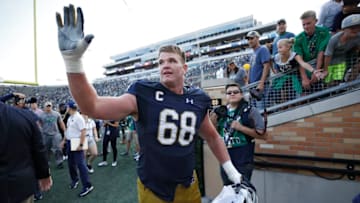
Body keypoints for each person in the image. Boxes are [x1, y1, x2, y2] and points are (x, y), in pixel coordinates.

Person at [56, 4, 242, 203]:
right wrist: (72, 62)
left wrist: (232, 172)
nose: (165, 65)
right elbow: (92, 106)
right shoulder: (143, 93)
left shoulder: (198, 98)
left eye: (171, 60)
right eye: (161, 62)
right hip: (154, 190)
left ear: (185, 68)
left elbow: (213, 137)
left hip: (189, 184)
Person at [210, 83, 267, 183]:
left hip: (243, 157)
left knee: (242, 191)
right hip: (226, 158)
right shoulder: (221, 112)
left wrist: (241, 128)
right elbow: (213, 134)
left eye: (235, 92)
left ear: (241, 94)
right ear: (226, 96)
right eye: (229, 93)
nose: (232, 94)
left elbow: (264, 135)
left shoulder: (251, 111)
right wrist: (213, 120)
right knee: (228, 190)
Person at [0, 101, 52, 203]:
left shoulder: (31, 114)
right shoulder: (25, 115)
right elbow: (38, 148)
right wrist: (44, 174)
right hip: (21, 184)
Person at [271, 38, 320, 103]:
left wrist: (313, 71)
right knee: (283, 96)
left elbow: (303, 63)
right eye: (278, 48)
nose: (278, 50)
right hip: (285, 79)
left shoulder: (294, 55)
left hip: (296, 77)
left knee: (301, 95)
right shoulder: (276, 57)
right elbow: (269, 61)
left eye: (280, 47)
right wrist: (274, 70)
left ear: (288, 47)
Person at [294, 10, 331, 94]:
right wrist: (304, 78)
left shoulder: (323, 32)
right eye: (303, 24)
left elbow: (321, 52)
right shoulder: (298, 38)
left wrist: (316, 72)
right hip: (306, 70)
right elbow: (300, 61)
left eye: (308, 23)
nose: (306, 27)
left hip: (321, 68)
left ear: (316, 21)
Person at [62, 101, 94, 197]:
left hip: (77, 141)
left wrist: (80, 144)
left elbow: (83, 131)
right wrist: (64, 140)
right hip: (70, 141)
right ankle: (75, 180)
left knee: (81, 165)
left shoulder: (78, 117)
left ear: (70, 108)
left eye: (67, 107)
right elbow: (68, 130)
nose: (66, 108)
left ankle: (87, 185)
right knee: (71, 164)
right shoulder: (70, 117)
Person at [323, 14, 360, 86]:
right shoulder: (334, 39)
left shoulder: (358, 36)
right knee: (331, 83)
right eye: (352, 28)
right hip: (332, 61)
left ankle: (350, 85)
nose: (356, 30)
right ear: (344, 29)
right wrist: (326, 70)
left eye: (358, 27)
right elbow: (328, 55)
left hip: (345, 59)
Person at [246, 30, 271, 110]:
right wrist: (248, 82)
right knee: (255, 111)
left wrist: (261, 83)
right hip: (253, 87)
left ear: (257, 38)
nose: (249, 41)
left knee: (261, 110)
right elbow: (250, 68)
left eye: (251, 38)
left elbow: (266, 66)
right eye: (248, 39)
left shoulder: (262, 49)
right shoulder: (253, 53)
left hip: (260, 86)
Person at [39, 101, 66, 169]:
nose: (48, 108)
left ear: (51, 106)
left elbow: (61, 123)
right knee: (46, 150)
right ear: (44, 107)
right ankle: (47, 162)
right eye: (47, 106)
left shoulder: (56, 114)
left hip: (55, 134)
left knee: (58, 149)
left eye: (49, 106)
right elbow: (39, 124)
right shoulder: (41, 115)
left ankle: (59, 162)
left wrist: (65, 130)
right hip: (45, 134)